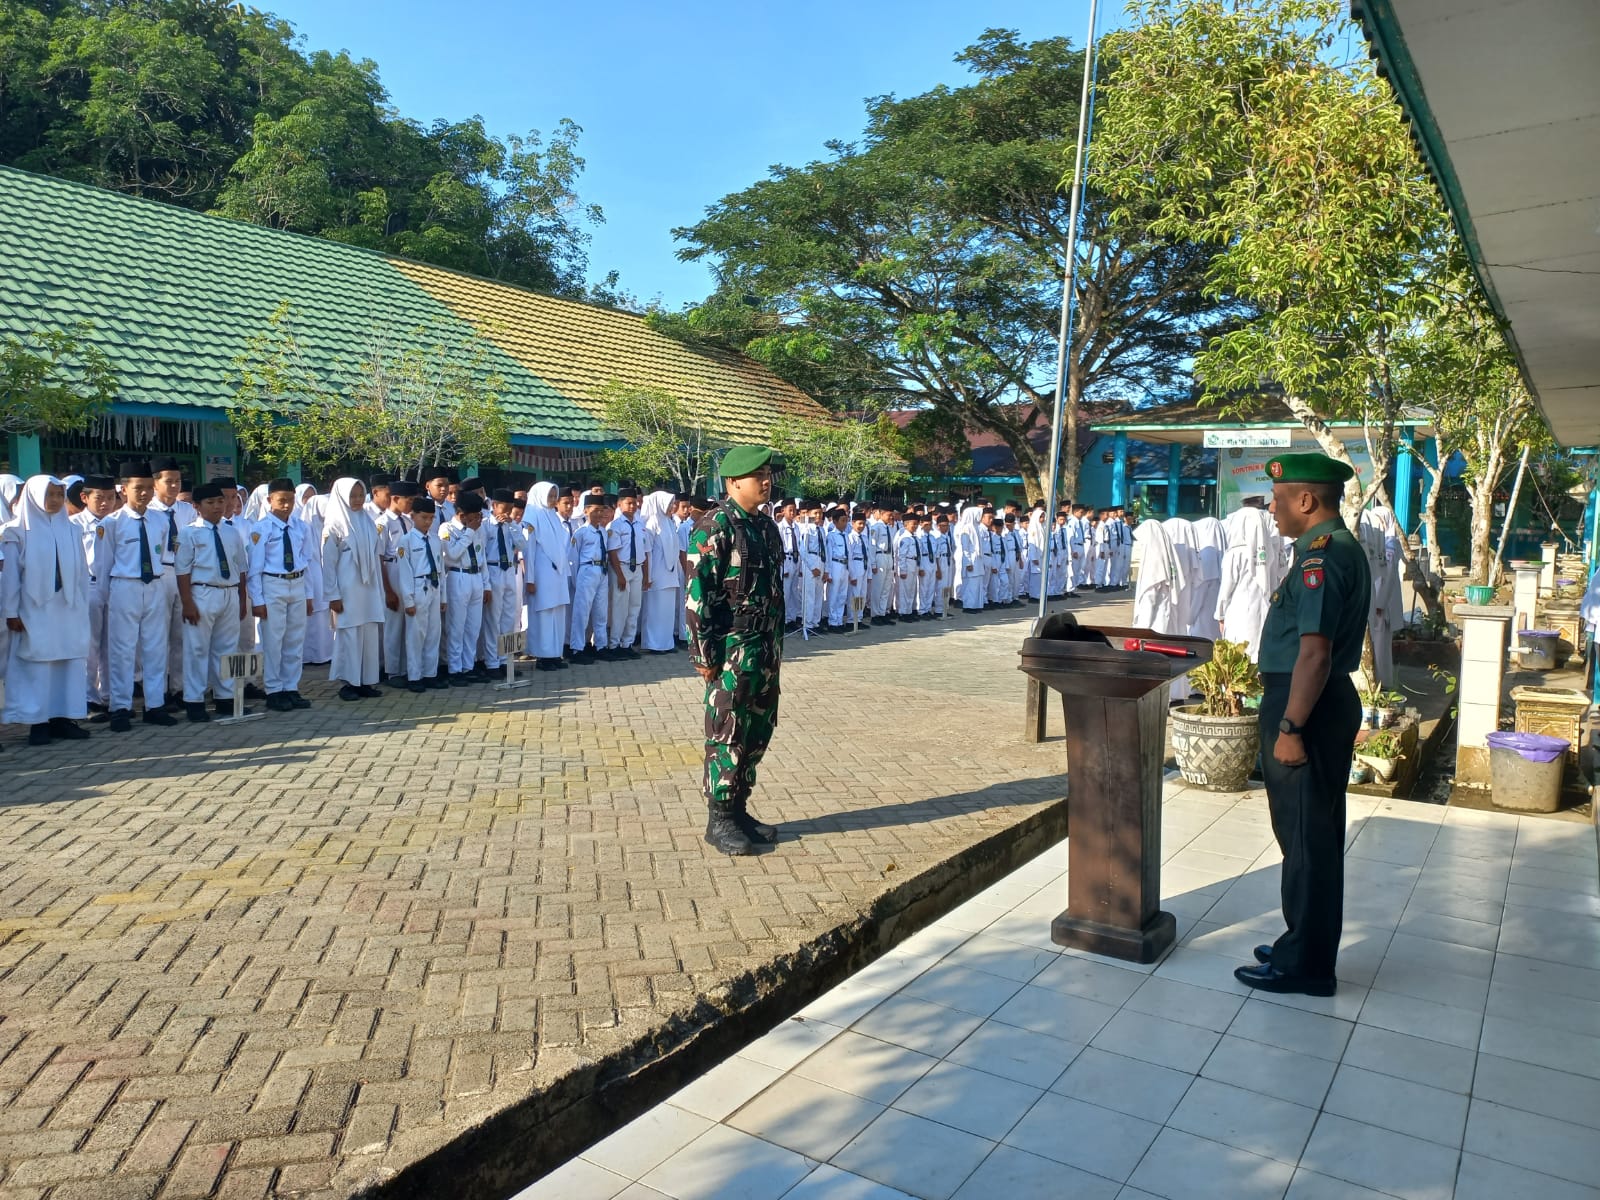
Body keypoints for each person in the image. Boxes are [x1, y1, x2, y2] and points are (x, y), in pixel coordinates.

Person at [1234, 453, 1370, 997]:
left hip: (1305, 705)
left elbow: (1313, 654)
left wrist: (1290, 726)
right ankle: (1303, 943)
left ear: (1306, 501)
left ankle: (1307, 965)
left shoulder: (1322, 557)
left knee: (1307, 838)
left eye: (1279, 499)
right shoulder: (1329, 550)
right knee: (1305, 834)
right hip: (1314, 702)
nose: (1272, 507)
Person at [685, 446, 785, 856]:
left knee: (758, 728)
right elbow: (698, 596)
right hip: (732, 647)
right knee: (727, 731)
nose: (766, 481)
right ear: (732, 481)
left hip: (765, 646)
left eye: (768, 474)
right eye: (757, 474)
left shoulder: (765, 527)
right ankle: (720, 817)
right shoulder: (714, 527)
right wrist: (704, 655)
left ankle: (740, 807)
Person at [1, 475, 92, 744]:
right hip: (34, 610)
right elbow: (11, 578)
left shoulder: (72, 529)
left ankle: (64, 718)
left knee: (68, 662)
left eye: (58, 495)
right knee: (37, 666)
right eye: (49, 495)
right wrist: (11, 612)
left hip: (68, 608)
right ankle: (38, 723)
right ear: (33, 496)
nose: (54, 500)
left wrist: (81, 605)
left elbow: (82, 575)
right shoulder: (15, 532)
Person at [93, 460, 177, 729]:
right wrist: (108, 599)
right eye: (138, 488)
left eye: (149, 488)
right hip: (124, 586)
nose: (144, 493)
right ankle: (120, 707)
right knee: (122, 650)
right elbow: (104, 565)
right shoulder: (112, 523)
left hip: (153, 584)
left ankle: (155, 705)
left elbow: (160, 554)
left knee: (155, 648)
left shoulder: (160, 521)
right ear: (123, 490)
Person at [175, 481, 249, 721]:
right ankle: (194, 700)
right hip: (202, 592)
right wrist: (187, 602)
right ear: (197, 506)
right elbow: (182, 570)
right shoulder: (189, 532)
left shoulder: (231, 531)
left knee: (227, 648)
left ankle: (226, 698)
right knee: (197, 648)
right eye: (211, 503)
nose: (218, 506)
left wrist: (241, 598)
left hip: (228, 591)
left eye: (221, 501)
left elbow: (241, 567)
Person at [247, 478, 314, 712]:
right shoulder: (260, 529)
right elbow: (254, 569)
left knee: (295, 639)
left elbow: (307, 562)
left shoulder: (300, 526)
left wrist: (309, 594)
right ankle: (274, 689)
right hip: (272, 583)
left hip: (296, 582)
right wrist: (257, 600)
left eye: (290, 500)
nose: (286, 506)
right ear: (269, 500)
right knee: (273, 640)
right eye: (281, 501)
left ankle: (291, 686)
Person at [322, 478, 386, 700]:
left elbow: (376, 557)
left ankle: (366, 681)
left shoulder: (367, 521)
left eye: (361, 495)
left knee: (368, 634)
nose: (357, 500)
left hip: (368, 589)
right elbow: (328, 564)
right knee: (349, 636)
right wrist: (332, 595)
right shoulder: (334, 525)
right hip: (347, 591)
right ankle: (348, 683)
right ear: (341, 497)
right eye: (352, 496)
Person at [394, 495, 446, 692]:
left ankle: (429, 673)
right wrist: (408, 600)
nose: (428, 522)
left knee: (434, 633)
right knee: (416, 634)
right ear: (413, 516)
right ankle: (414, 676)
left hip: (433, 586)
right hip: (417, 588)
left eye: (431, 518)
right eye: (424, 517)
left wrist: (443, 597)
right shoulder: (405, 541)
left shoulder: (435, 540)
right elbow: (405, 573)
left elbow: (441, 568)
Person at [441, 491, 490, 683]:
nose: (478, 519)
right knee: (457, 626)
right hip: (457, 576)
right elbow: (451, 554)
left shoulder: (478, 529)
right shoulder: (447, 528)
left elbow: (482, 556)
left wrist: (486, 585)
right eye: (475, 515)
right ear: (461, 513)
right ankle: (455, 669)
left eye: (479, 515)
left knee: (473, 627)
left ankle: (468, 666)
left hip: (476, 577)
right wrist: (469, 531)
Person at [524, 482, 571, 670]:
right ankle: (543, 656)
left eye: (554, 496)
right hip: (541, 574)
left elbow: (561, 548)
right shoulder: (532, 516)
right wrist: (530, 579)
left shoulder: (553, 515)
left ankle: (554, 653)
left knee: (558, 614)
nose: (552, 500)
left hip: (557, 574)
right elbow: (529, 551)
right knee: (544, 615)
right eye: (549, 496)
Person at [567, 495, 610, 662]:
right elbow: (573, 558)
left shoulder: (603, 532)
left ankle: (600, 645)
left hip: (602, 570)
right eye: (595, 511)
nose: (599, 514)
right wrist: (576, 581)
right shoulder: (581, 533)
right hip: (587, 569)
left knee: (601, 612)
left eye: (601, 510)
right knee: (582, 612)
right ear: (585, 511)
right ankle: (577, 648)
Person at [639, 490, 683, 653]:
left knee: (667, 611)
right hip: (656, 572)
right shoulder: (652, 522)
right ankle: (653, 644)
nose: (672, 506)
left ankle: (666, 643)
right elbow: (647, 551)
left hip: (670, 574)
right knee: (654, 610)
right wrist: (648, 575)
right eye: (670, 503)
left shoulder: (670, 522)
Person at [606, 487, 646, 656]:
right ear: (619, 504)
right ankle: (614, 644)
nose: (632, 506)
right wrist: (620, 575)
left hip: (637, 567)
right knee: (619, 607)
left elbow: (643, 548)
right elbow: (613, 551)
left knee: (634, 607)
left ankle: (627, 643)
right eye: (628, 503)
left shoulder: (639, 524)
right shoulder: (615, 525)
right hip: (621, 568)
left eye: (635, 503)